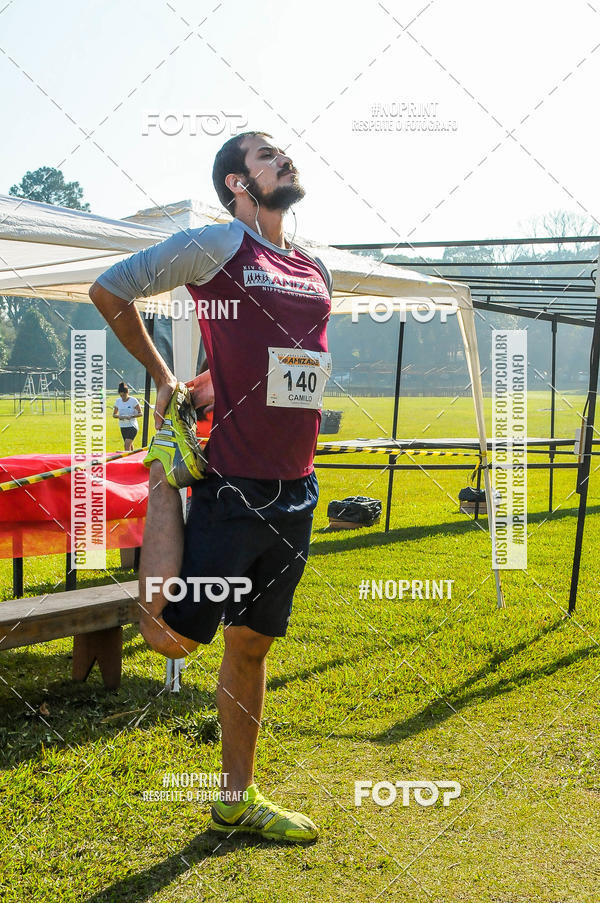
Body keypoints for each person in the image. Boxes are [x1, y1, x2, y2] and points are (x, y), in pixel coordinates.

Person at [89, 131, 332, 843]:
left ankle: (236, 798)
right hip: (233, 484)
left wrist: (208, 385)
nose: (284, 159)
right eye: (266, 155)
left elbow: (289, 364)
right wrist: (167, 380)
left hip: (299, 488)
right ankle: (161, 483)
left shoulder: (314, 266)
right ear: (236, 182)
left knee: (252, 645)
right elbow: (111, 288)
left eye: (285, 152)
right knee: (170, 639)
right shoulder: (219, 244)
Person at [113, 381, 142, 450]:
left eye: (124, 395)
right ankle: (133, 458)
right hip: (123, 427)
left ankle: (126, 460)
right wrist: (119, 417)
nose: (122, 397)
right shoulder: (118, 401)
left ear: (127, 393)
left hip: (132, 426)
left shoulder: (133, 400)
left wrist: (131, 416)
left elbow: (140, 413)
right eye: (121, 395)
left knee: (126, 445)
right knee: (129, 445)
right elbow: (114, 414)